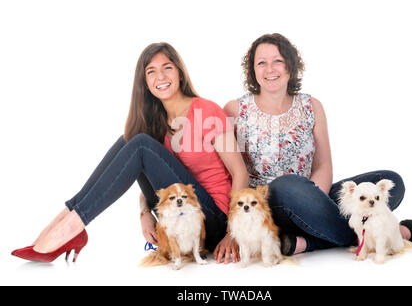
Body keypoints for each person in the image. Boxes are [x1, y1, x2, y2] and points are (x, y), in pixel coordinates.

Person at [11, 42, 248, 262]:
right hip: (178, 212)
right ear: (144, 82)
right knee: (130, 138)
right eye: (151, 71)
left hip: (213, 221)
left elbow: (240, 172)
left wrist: (233, 233)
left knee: (140, 143)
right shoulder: (159, 121)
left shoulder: (208, 110)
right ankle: (65, 220)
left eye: (167, 68)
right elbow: (161, 175)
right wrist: (144, 212)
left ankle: (72, 226)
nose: (161, 77)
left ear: (180, 73)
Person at [223, 33, 412, 256]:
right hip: (265, 207)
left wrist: (313, 201)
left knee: (389, 182)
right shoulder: (235, 109)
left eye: (278, 61)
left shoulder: (311, 105)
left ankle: (305, 242)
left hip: (311, 196)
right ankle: (388, 233)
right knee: (288, 185)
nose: (269, 69)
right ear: (252, 70)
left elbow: (323, 165)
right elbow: (230, 172)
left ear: (290, 66)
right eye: (261, 63)